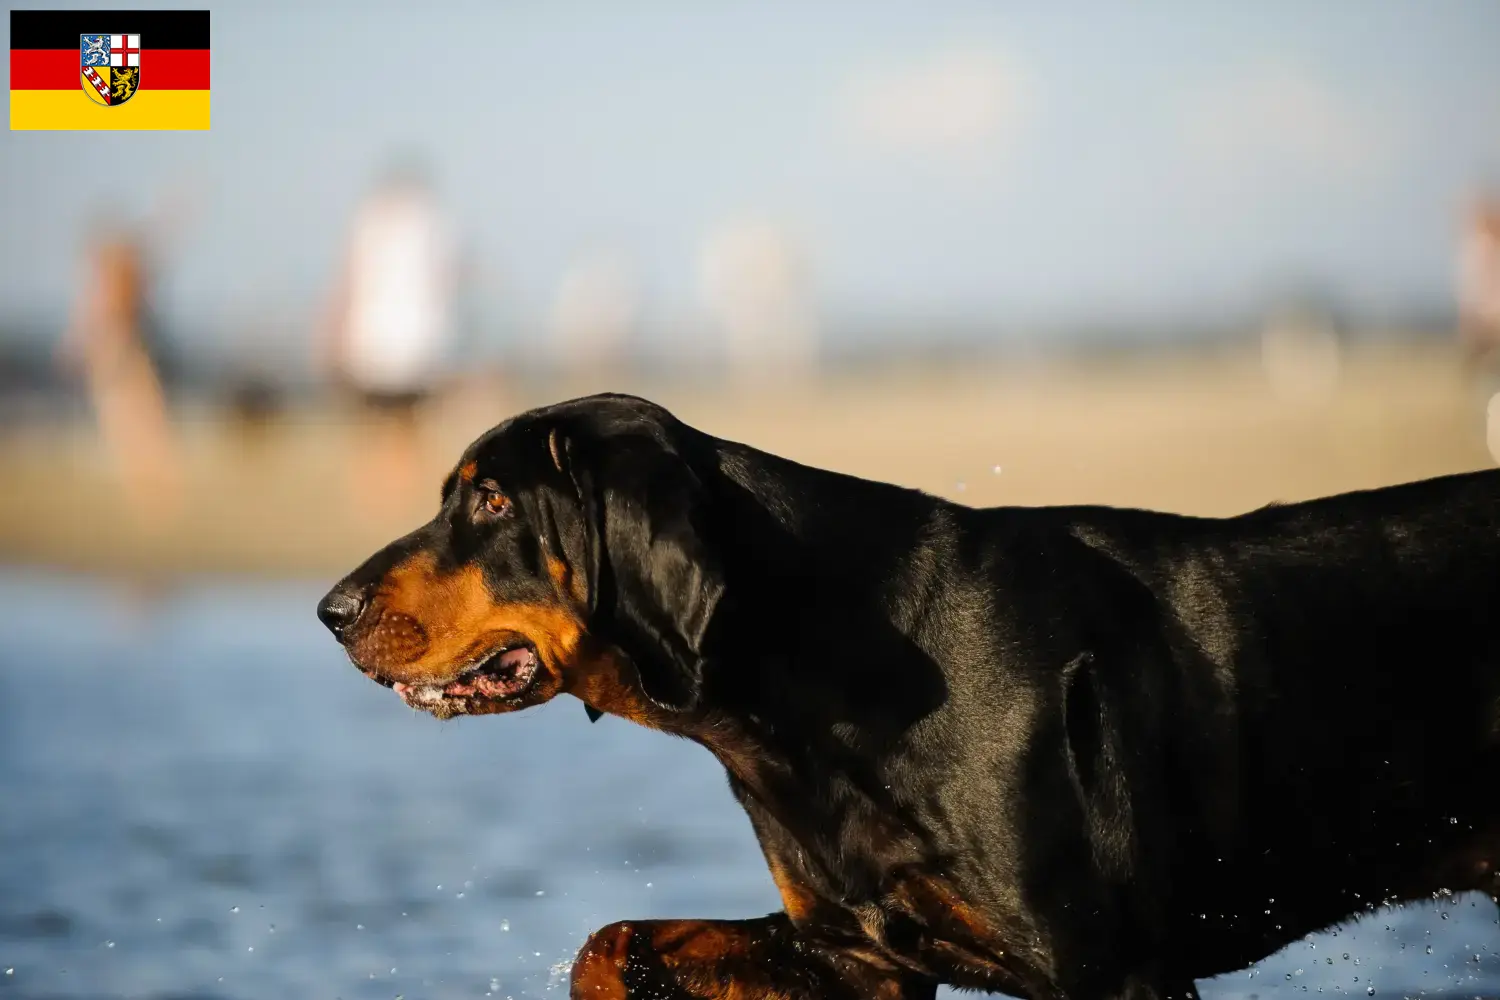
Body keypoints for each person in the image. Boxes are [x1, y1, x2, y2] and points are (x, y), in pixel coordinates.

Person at [321, 158, 456, 518]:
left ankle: (373, 498)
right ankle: (406, 496)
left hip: (374, 338)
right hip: (417, 340)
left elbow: (348, 278)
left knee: (374, 425)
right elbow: (445, 278)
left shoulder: (370, 219)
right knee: (409, 425)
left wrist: (333, 332)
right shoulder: (431, 220)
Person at [57, 218, 182, 526]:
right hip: (123, 345)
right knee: (138, 419)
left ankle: (151, 491)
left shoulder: (112, 277)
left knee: (131, 420)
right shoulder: (124, 275)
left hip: (117, 345)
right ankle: (153, 491)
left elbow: (91, 316)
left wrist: (74, 346)